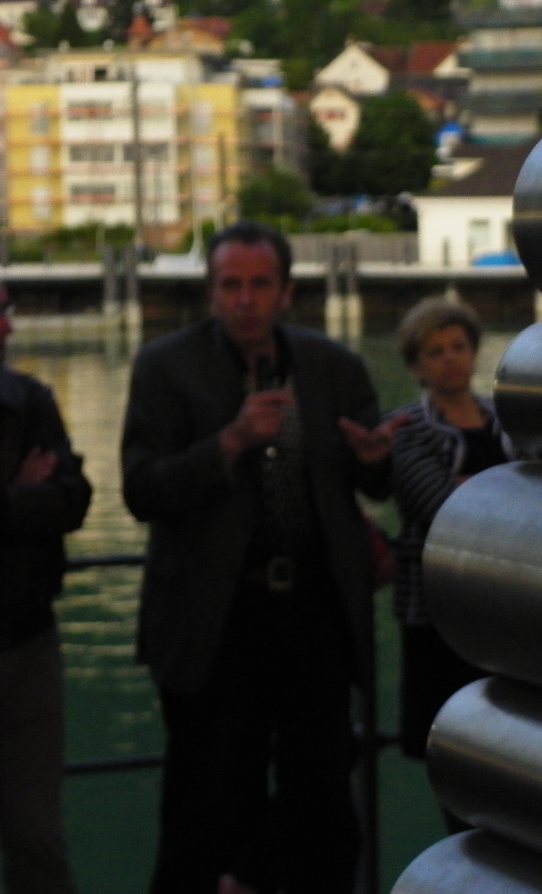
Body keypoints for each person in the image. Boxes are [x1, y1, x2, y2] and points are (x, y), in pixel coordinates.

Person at [120, 222, 404, 894]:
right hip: (214, 620)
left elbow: (371, 483)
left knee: (324, 807)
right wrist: (230, 441)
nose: (244, 299)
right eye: (230, 285)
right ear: (210, 291)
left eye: (259, 284)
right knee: (204, 811)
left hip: (313, 613)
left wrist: (375, 461)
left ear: (286, 292)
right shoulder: (166, 367)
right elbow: (142, 490)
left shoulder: (333, 367)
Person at [389, 298, 515, 770]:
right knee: (446, 745)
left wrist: (474, 486)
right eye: (435, 351)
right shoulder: (407, 429)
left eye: (458, 347)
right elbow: (442, 509)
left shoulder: (507, 418)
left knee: (505, 743)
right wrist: (511, 490)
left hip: (506, 604)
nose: (450, 359)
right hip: (438, 611)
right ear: (416, 367)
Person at [0, 282, 93, 894]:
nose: (9, 327)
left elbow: (74, 498)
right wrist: (19, 495)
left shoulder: (31, 400)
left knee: (36, 835)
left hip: (28, 642)